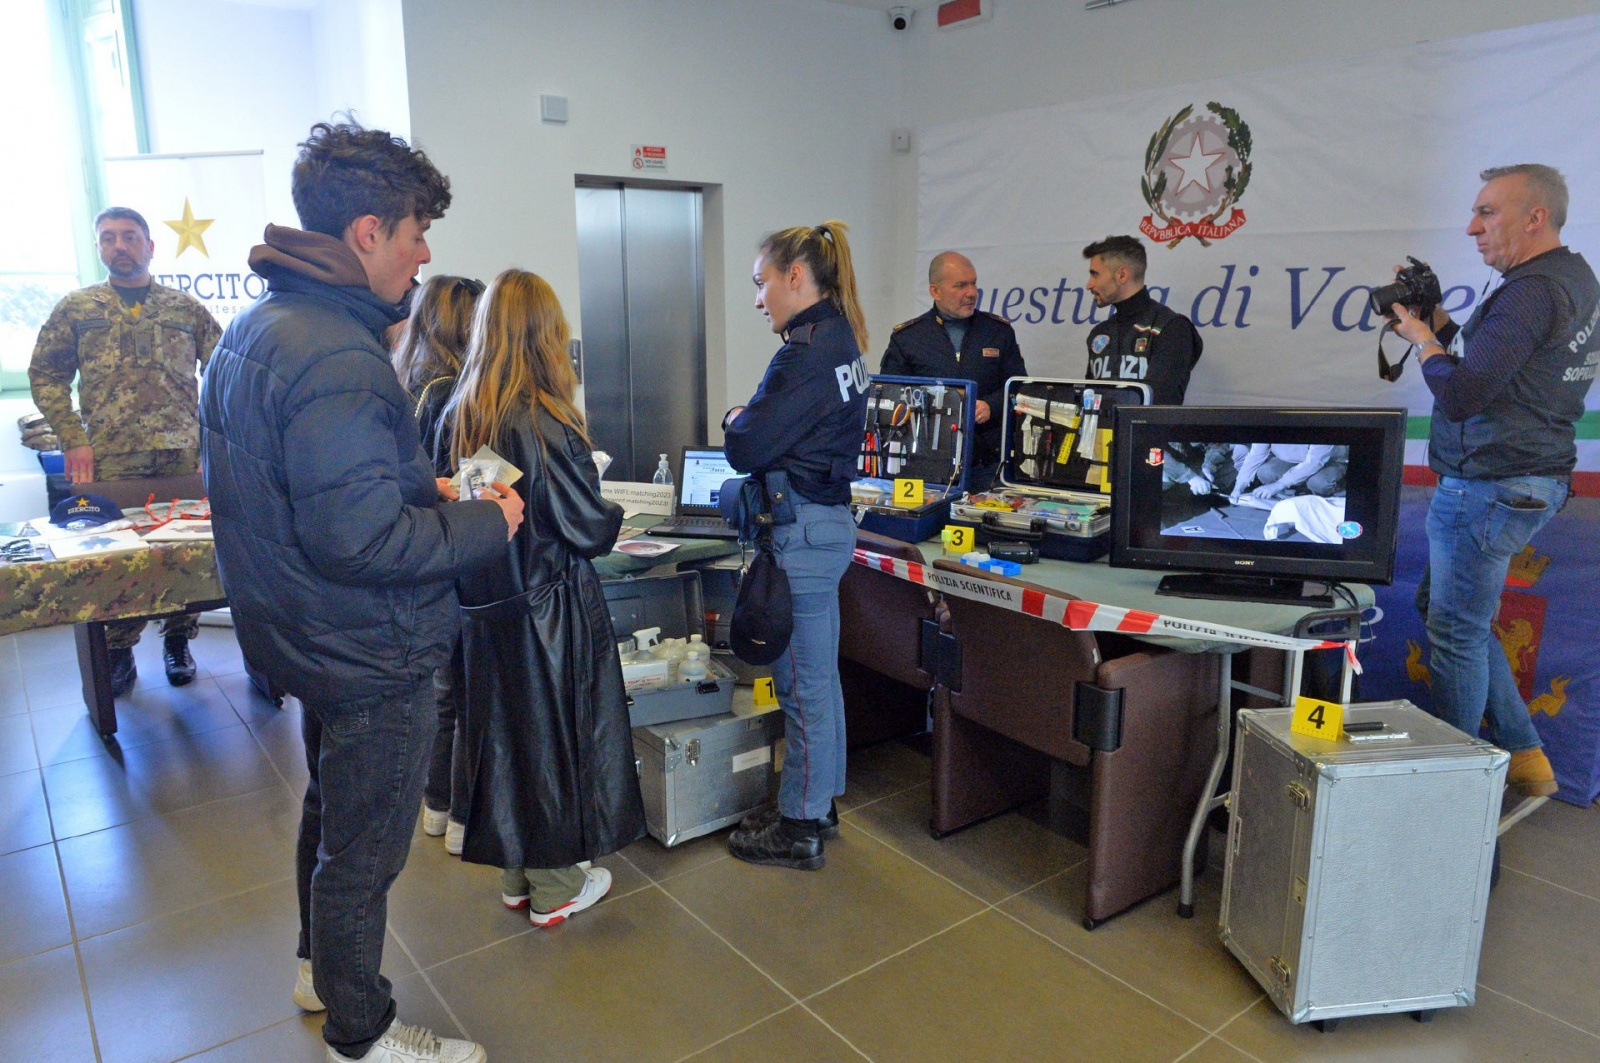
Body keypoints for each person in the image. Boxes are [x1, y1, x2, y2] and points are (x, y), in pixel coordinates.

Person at [199, 121, 524, 1063]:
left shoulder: (262, 329)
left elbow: (303, 489)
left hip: (306, 634)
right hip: (368, 644)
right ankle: (364, 1030)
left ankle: (315, 969)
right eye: (417, 230)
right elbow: (362, 538)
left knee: (330, 811)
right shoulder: (338, 356)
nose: (426, 253)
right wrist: (482, 522)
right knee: (367, 851)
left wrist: (415, 486)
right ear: (367, 232)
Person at [441, 268, 645, 923]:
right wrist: (614, 513)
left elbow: (477, 509)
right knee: (559, 741)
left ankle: (518, 874)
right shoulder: (545, 420)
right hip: (550, 607)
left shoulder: (466, 409)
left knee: (509, 739)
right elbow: (584, 525)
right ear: (545, 337)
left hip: (488, 604)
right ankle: (557, 889)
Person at [1390, 163, 1599, 798]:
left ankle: (1454, 788)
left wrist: (1424, 339)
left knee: (1454, 631)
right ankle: (1526, 754)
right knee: (1449, 614)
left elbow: (1464, 393)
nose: (1471, 227)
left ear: (1535, 217)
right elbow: (1500, 367)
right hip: (1524, 479)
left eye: (1487, 212)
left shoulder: (1532, 290)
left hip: (1490, 485)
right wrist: (1442, 328)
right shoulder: (1569, 278)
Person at [723, 221, 870, 870]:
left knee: (803, 686)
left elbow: (748, 442)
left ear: (795, 277)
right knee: (815, 681)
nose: (759, 299)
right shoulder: (840, 339)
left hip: (803, 531)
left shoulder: (806, 353)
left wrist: (735, 420)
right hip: (822, 524)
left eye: (762, 284)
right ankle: (815, 797)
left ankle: (801, 823)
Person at [29, 206, 223, 694]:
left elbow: (224, 374)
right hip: (110, 458)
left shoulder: (183, 308)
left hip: (182, 454)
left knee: (185, 551)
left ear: (149, 246)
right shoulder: (78, 309)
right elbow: (46, 374)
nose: (121, 246)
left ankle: (178, 640)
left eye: (131, 237)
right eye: (110, 238)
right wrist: (73, 437)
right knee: (116, 553)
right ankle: (119, 647)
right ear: (98, 247)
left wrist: (213, 440)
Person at [395, 274, 485, 856]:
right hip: (449, 548)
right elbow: (467, 478)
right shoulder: (452, 387)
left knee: (440, 689)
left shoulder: (404, 378)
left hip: (414, 552)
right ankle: (460, 818)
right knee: (464, 692)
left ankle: (435, 805)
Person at [880, 251, 1025, 492]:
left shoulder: (998, 331)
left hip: (987, 465)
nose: (972, 293)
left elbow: (1019, 387)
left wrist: (991, 406)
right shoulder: (907, 338)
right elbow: (889, 397)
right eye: (960, 285)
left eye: (974, 283)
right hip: (925, 466)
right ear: (935, 291)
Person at [1082, 235, 1202, 405]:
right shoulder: (1100, 333)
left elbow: (1158, 402)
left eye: (1095, 275)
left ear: (1122, 275)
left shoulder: (1172, 328)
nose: (1089, 284)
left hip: (1150, 432)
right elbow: (1088, 402)